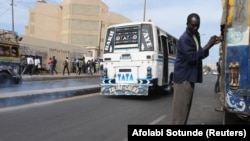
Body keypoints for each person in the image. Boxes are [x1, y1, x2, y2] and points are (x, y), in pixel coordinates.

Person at [172, 13, 222, 125]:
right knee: (180, 114)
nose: (195, 28)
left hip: (189, 78)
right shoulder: (185, 39)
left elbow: (200, 54)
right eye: (193, 25)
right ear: (187, 24)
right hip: (183, 79)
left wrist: (212, 44)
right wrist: (208, 44)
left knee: (185, 110)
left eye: (197, 25)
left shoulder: (195, 36)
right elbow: (192, 57)